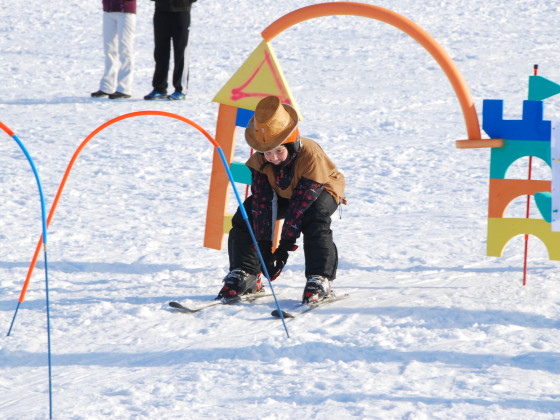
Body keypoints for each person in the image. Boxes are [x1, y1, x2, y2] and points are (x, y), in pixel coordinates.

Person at [216, 96, 346, 305]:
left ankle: (320, 279)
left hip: (321, 189)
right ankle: (247, 274)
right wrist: (265, 248)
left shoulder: (310, 155)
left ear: (292, 144)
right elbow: (263, 205)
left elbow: (299, 209)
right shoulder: (260, 162)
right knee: (246, 215)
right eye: (267, 152)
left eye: (279, 151)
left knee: (314, 218)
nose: (273, 157)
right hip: (284, 192)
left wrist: (283, 249)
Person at [144, 0, 197, 101]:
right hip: (161, 11)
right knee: (160, 52)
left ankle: (180, 89)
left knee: (181, 52)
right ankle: (159, 88)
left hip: (181, 11)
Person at [91, 0, 136, 100]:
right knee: (109, 49)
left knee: (125, 49)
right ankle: (107, 86)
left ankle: (124, 88)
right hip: (108, 9)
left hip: (125, 10)